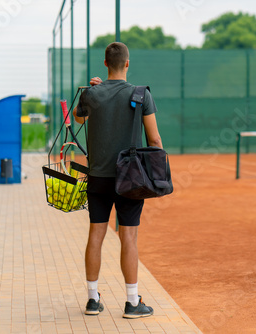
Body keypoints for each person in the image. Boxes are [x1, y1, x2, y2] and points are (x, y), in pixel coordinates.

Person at [73, 42, 162, 319]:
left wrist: (94, 90)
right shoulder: (140, 94)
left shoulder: (91, 94)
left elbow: (78, 118)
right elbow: (155, 139)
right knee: (129, 237)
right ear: (127, 63)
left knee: (96, 235)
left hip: (97, 177)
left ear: (104, 63)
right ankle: (132, 302)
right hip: (130, 179)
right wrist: (158, 174)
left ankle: (91, 300)